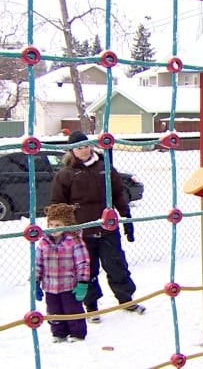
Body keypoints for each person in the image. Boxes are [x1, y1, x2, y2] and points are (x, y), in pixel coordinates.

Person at [50, 130, 145, 322]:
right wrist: (60, 232)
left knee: (116, 264)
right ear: (71, 151)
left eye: (85, 146)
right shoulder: (65, 175)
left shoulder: (105, 167)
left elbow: (118, 193)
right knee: (87, 269)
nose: (83, 150)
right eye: (78, 148)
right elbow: (58, 205)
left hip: (107, 227)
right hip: (82, 230)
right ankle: (91, 306)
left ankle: (126, 299)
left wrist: (126, 217)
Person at [35, 203, 90, 343]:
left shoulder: (74, 242)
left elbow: (82, 262)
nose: (53, 229)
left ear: (67, 224)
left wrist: (83, 282)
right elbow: (37, 263)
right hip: (50, 286)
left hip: (69, 285)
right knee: (53, 312)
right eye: (51, 224)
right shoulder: (44, 243)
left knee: (72, 310)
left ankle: (77, 333)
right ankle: (59, 333)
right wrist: (35, 281)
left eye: (58, 225)